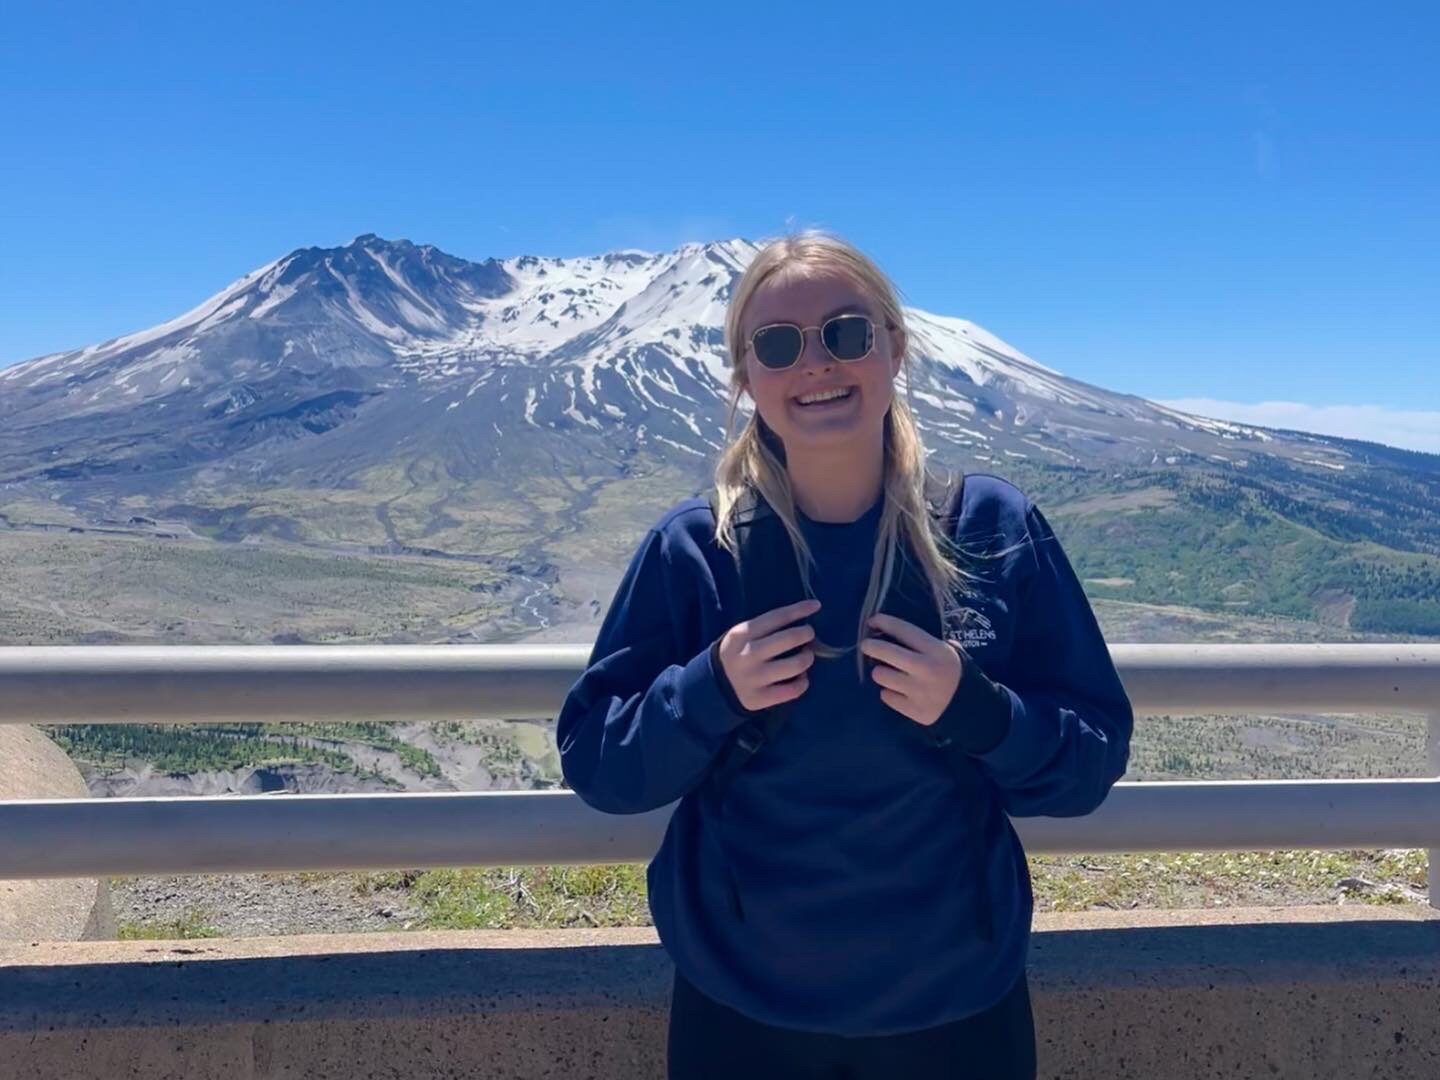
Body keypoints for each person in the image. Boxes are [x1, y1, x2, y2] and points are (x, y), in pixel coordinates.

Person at [557, 232, 1133, 1079]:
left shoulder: (989, 532)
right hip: (741, 1019)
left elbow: (1089, 766)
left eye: (847, 333)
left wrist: (976, 710)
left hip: (956, 1014)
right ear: (746, 379)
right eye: (779, 345)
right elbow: (602, 767)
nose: (815, 363)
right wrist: (709, 689)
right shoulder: (697, 551)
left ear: (894, 348)